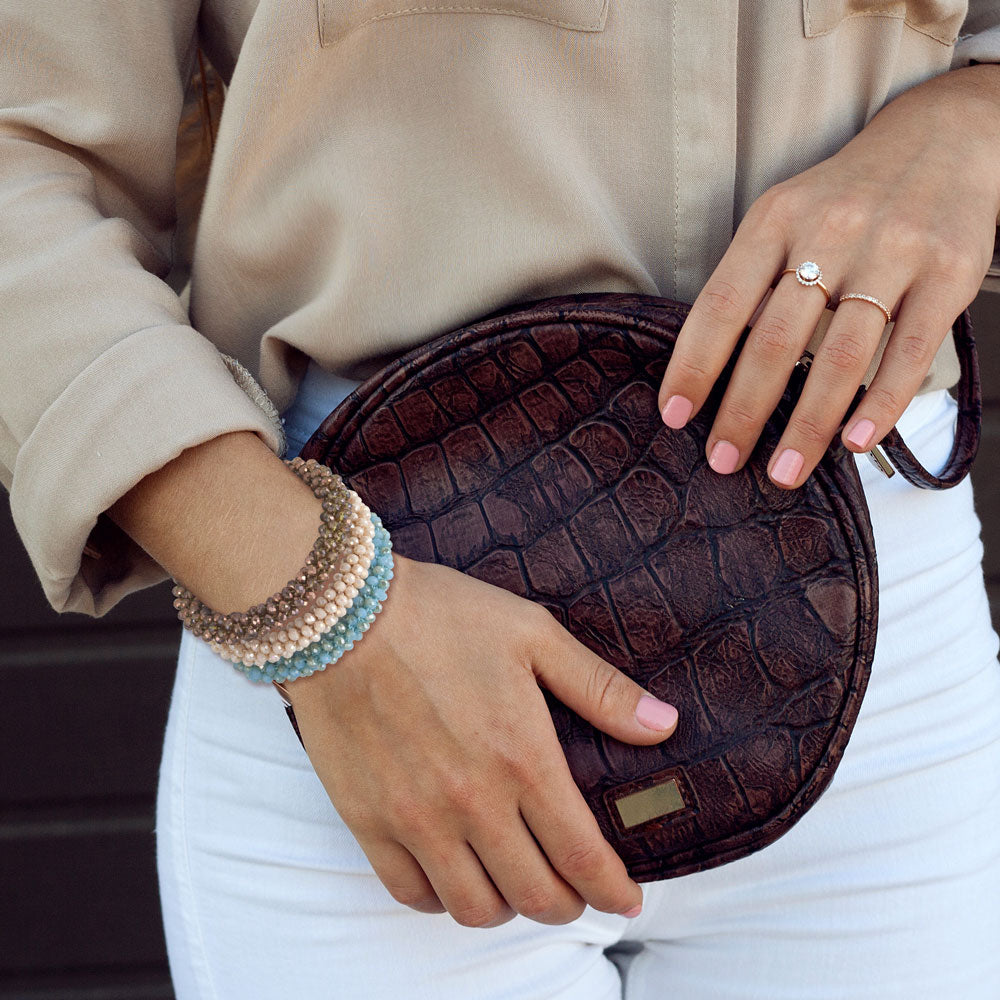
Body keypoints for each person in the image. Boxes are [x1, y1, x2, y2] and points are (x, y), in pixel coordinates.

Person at [2, 2, 999, 997]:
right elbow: (21, 156)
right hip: (366, 625)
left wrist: (971, 125)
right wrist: (330, 611)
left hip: (876, 660)